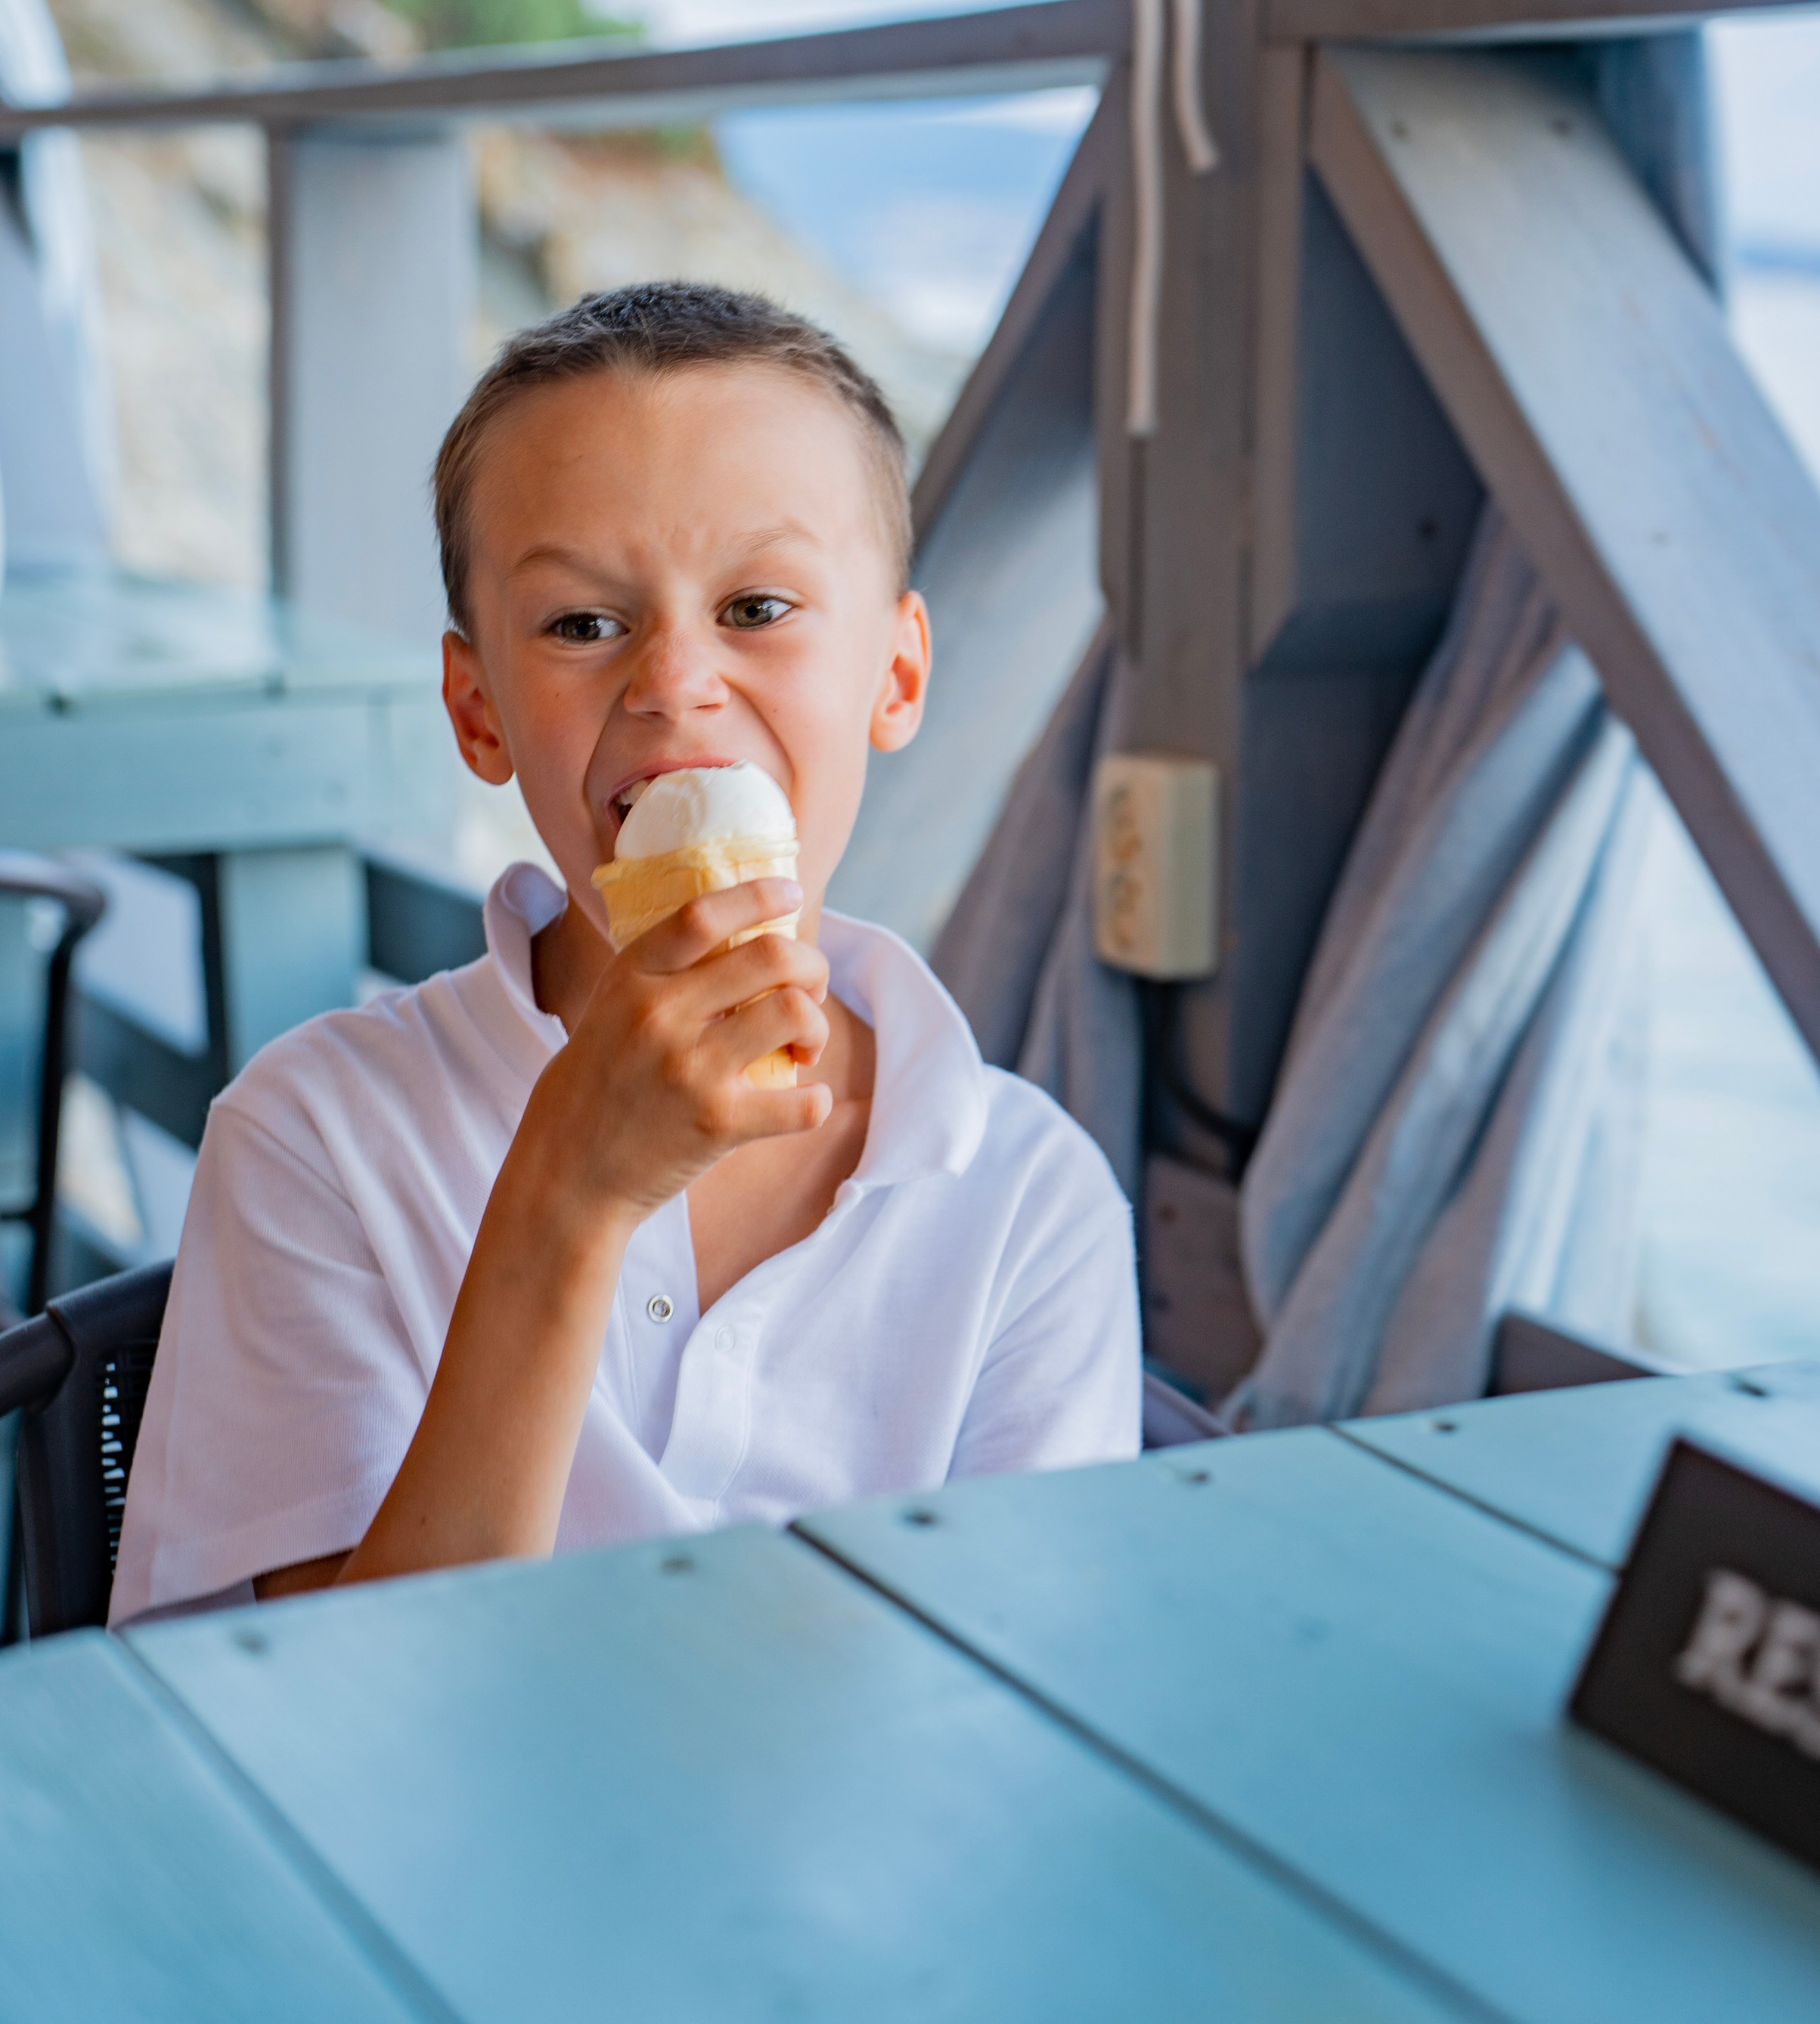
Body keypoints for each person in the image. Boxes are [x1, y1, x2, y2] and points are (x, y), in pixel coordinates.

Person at [110, 284, 1140, 1623]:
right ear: (479, 713)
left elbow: (1022, 1701)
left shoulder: (1026, 1203)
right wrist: (569, 1197)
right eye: (584, 626)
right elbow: (322, 1718)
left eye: (758, 606)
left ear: (894, 675)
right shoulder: (315, 1137)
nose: (674, 683)